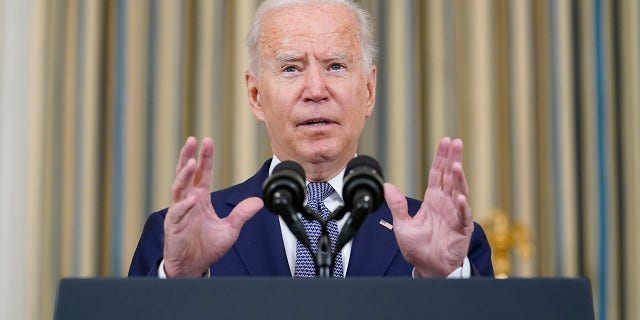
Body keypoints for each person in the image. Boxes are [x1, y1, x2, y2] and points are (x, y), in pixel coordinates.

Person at [128, 0, 493, 278]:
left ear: (368, 90)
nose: (316, 90)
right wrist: (179, 280)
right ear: (256, 96)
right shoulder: (176, 237)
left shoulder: (446, 241)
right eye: (291, 68)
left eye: (335, 66)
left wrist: (443, 281)